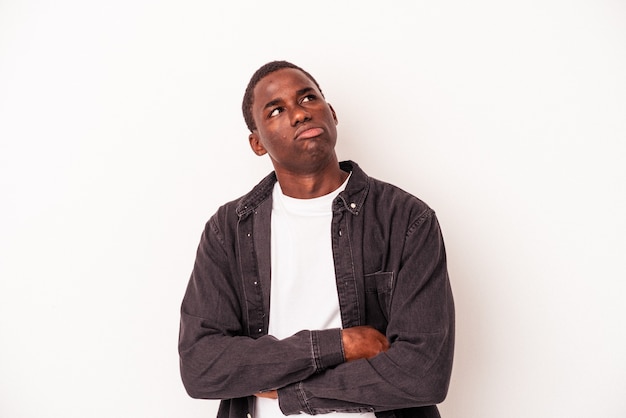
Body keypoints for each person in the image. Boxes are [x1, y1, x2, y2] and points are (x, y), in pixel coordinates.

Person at [178, 60, 455, 418]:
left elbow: (423, 373)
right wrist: (339, 345)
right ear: (257, 143)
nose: (299, 115)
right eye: (276, 110)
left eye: (308, 98)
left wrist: (294, 394)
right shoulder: (228, 230)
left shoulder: (406, 220)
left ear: (332, 113)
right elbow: (202, 367)